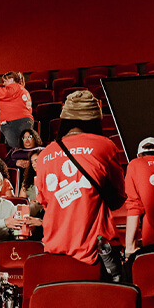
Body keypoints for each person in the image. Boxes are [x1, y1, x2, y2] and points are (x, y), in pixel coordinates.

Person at [36, 90, 126, 266]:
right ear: (94, 120)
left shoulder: (45, 154)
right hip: (95, 250)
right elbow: (118, 197)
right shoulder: (105, 146)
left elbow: (45, 201)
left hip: (55, 248)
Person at [0, 71, 34, 150]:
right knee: (22, 148)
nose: (4, 84)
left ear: (11, 80)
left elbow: (4, 93)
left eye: (5, 81)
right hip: (21, 121)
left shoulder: (14, 87)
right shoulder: (20, 89)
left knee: (18, 149)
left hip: (16, 121)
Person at [19, 150, 44, 217]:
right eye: (32, 162)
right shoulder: (28, 179)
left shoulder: (50, 176)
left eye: (36, 160)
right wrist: (29, 202)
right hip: (29, 206)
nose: (34, 164)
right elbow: (22, 199)